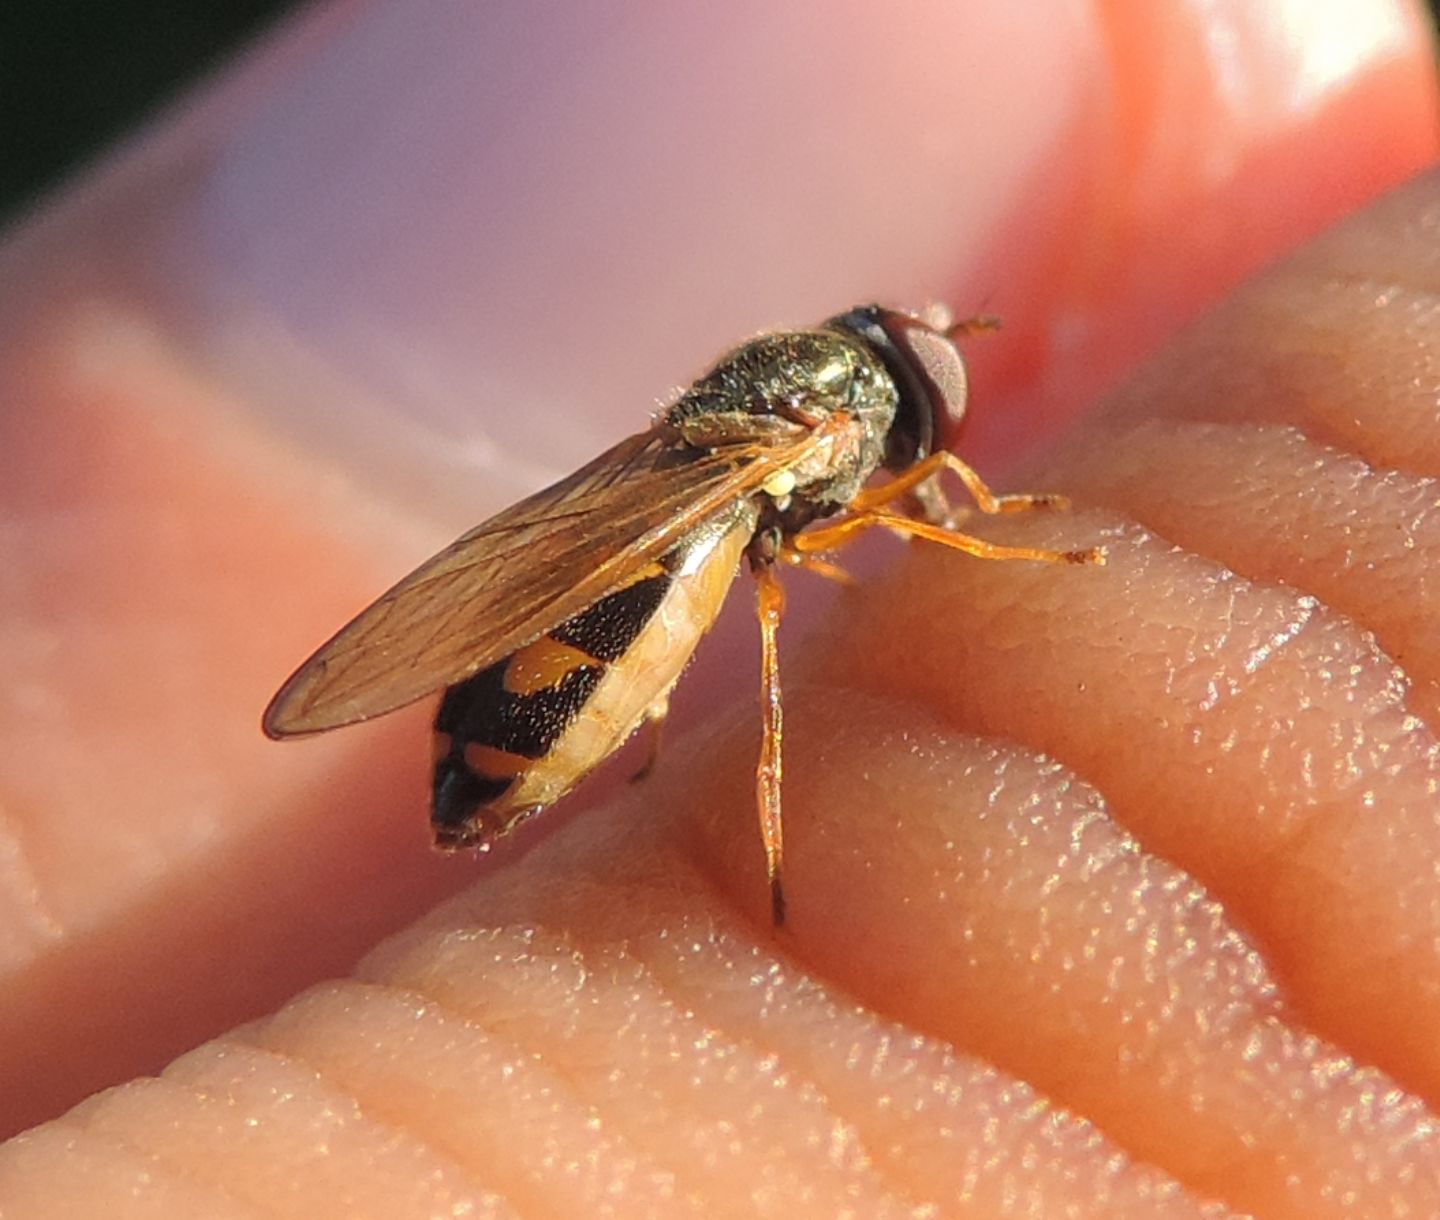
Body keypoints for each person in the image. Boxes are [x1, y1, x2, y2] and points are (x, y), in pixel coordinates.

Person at [1, 2, 1438, 1214]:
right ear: (876, 403)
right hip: (585, 627)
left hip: (599, 571)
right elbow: (830, 532)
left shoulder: (787, 421)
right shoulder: (821, 434)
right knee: (746, 631)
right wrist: (996, 550)